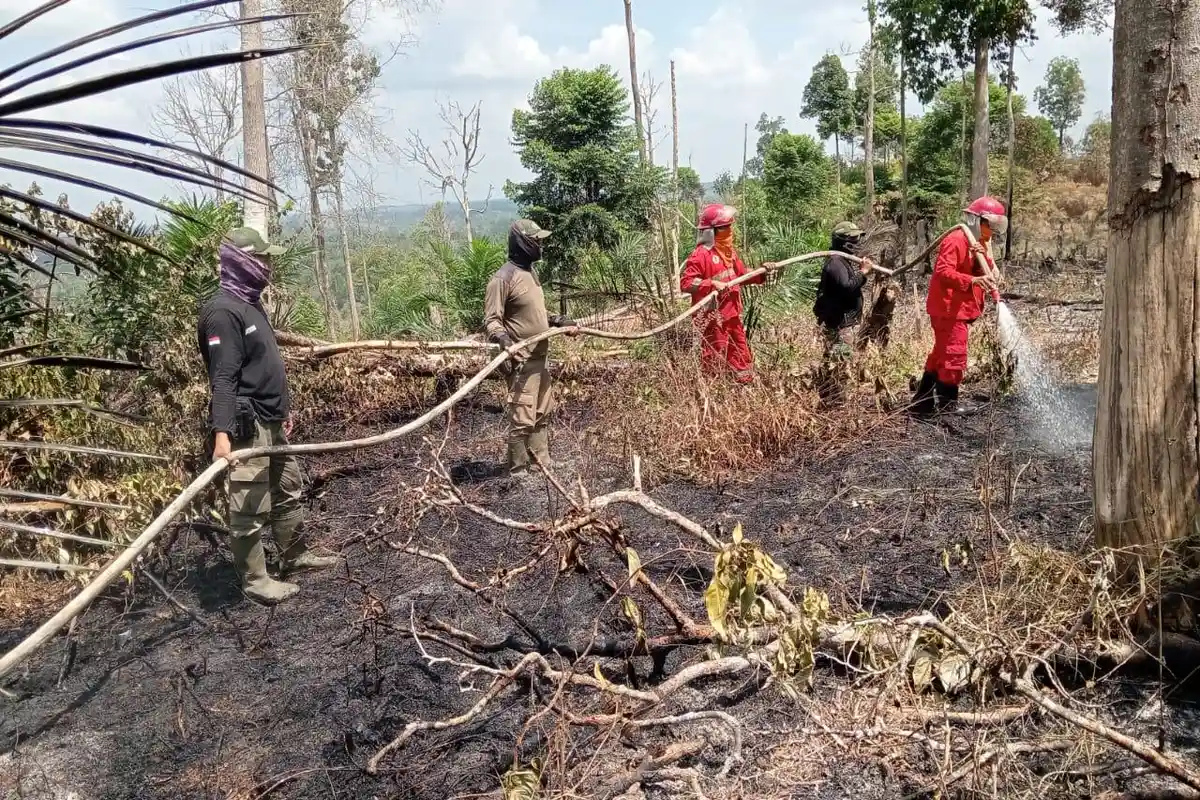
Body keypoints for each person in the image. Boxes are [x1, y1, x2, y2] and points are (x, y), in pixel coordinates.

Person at [197, 226, 338, 605]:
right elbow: (223, 378)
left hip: (271, 420)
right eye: (263, 259)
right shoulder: (223, 312)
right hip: (248, 426)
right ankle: (257, 581)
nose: (269, 266)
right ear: (242, 261)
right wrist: (222, 435)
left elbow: (263, 364)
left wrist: (282, 412)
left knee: (288, 488)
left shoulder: (250, 303)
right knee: (248, 505)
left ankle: (295, 556)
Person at [484, 219, 577, 477]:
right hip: (521, 361)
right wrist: (504, 341)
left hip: (540, 358)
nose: (540, 244)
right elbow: (492, 319)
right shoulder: (503, 278)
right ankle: (517, 469)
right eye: (536, 240)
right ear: (522, 242)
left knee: (542, 411)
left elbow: (535, 313)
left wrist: (558, 321)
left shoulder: (530, 273)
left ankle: (541, 462)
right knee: (522, 417)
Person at [912, 197, 1006, 416]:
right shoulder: (956, 240)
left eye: (995, 225)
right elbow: (943, 272)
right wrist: (971, 281)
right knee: (954, 356)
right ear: (976, 220)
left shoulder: (978, 242)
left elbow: (985, 268)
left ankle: (922, 402)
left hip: (960, 309)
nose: (991, 230)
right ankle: (948, 406)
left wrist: (989, 268)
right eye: (989, 224)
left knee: (941, 355)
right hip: (948, 310)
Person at [680, 204, 770, 384]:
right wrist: (711, 284)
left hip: (732, 315)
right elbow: (686, 283)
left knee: (741, 356)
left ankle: (743, 392)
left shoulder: (729, 253)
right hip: (713, 319)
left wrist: (761, 272)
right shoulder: (700, 255)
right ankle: (715, 396)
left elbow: (741, 275)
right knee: (715, 359)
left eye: (730, 227)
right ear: (711, 232)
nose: (730, 231)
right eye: (725, 228)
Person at [812, 221, 874, 404]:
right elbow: (846, 287)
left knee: (838, 360)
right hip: (840, 325)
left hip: (843, 322)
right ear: (843, 241)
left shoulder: (842, 260)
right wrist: (863, 273)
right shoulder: (836, 263)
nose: (857, 242)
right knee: (839, 362)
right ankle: (835, 400)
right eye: (853, 239)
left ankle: (832, 397)